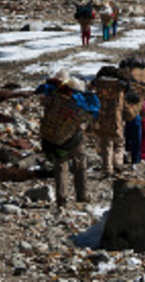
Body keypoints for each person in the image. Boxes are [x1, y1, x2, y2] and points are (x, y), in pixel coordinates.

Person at [36, 71, 99, 208]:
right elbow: (88, 118)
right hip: (73, 139)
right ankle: (81, 196)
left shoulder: (53, 97)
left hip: (52, 139)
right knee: (80, 164)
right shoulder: (79, 104)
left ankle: (62, 199)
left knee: (61, 168)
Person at [118, 57, 145, 164]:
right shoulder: (142, 89)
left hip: (128, 114)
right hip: (136, 115)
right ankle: (137, 158)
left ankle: (128, 155)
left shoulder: (126, 85)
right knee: (138, 135)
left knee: (128, 135)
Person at [90, 65, 128, 177]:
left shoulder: (100, 85)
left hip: (102, 117)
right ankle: (117, 164)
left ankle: (107, 169)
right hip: (116, 118)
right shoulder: (121, 86)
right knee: (119, 142)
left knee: (106, 144)